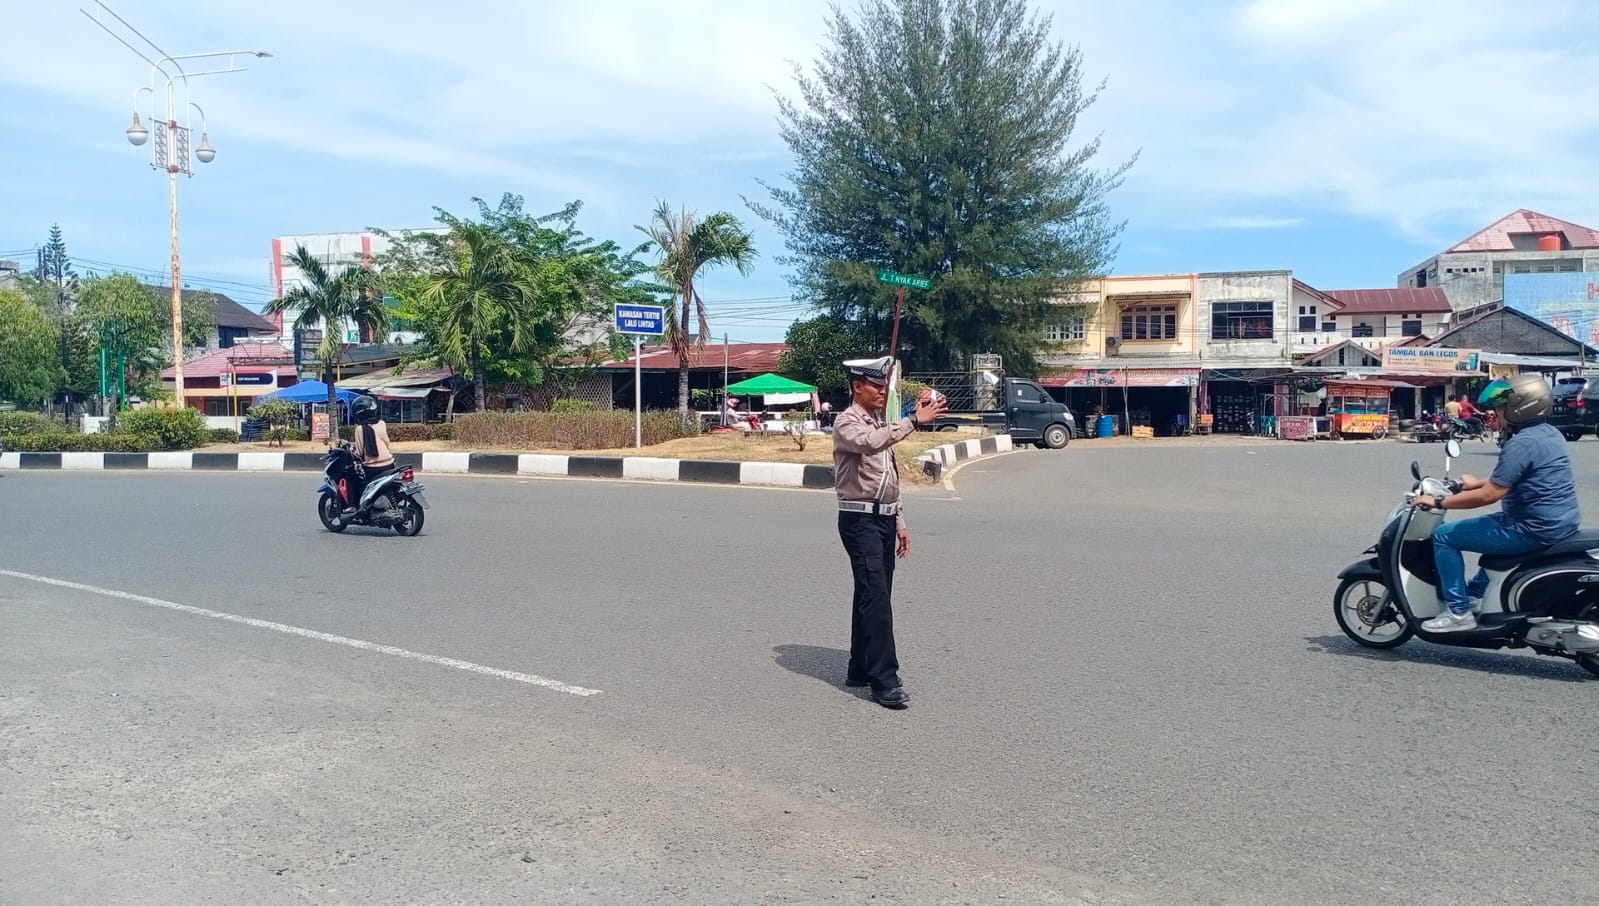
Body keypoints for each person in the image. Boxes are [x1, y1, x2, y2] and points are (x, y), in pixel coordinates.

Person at [1411, 375, 1580, 631]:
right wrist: (1476, 481)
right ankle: (1476, 594)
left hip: (1530, 528)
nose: (1496, 414)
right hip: (1556, 522)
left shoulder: (1521, 443)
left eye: (1500, 408)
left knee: (1445, 536)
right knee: (1486, 530)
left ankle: (1458, 613)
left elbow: (1490, 495)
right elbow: (1514, 477)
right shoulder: (1548, 434)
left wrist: (1438, 501)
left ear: (1520, 408)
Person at [832, 356, 949, 709]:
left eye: (885, 386)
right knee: (877, 597)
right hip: (859, 521)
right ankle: (884, 680)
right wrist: (914, 419)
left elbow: (890, 476)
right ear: (857, 386)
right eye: (876, 386)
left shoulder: (880, 422)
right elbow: (870, 443)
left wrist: (899, 521)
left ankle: (860, 666)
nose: (882, 392)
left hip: (883, 520)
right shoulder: (847, 422)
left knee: (871, 594)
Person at [344, 395, 395, 515]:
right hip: (390, 464)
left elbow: (360, 452)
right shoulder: (382, 424)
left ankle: (353, 506)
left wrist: (352, 452)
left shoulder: (360, 429)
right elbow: (387, 443)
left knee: (350, 475)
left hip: (373, 469)